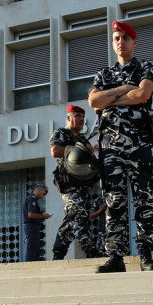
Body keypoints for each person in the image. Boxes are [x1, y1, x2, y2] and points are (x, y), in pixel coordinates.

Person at [88, 20, 153, 273]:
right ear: (113, 43)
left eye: (125, 38)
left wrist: (109, 100)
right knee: (114, 199)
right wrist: (124, 89)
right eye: (117, 38)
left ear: (134, 42)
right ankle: (115, 256)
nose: (121, 42)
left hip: (139, 142)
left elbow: (142, 95)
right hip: (110, 146)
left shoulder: (145, 67)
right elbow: (93, 101)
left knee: (144, 198)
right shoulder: (103, 74)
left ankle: (146, 254)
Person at [49, 105, 100, 259]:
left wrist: (94, 152)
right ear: (68, 118)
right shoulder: (61, 133)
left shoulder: (83, 138)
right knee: (79, 212)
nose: (81, 119)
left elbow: (91, 157)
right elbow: (54, 151)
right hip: (68, 183)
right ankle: (89, 249)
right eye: (77, 116)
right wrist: (76, 150)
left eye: (83, 117)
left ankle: (58, 253)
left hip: (82, 184)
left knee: (71, 219)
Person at [22, 184, 51, 262]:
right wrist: (43, 216)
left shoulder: (31, 199)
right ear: (39, 190)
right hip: (31, 226)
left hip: (32, 227)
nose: (43, 196)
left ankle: (33, 264)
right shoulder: (32, 199)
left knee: (35, 248)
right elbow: (31, 214)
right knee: (32, 249)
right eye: (43, 194)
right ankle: (29, 266)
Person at [88, 193, 107, 258]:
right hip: (103, 231)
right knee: (101, 253)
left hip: (116, 230)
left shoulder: (117, 197)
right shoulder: (99, 200)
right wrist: (100, 210)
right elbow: (91, 216)